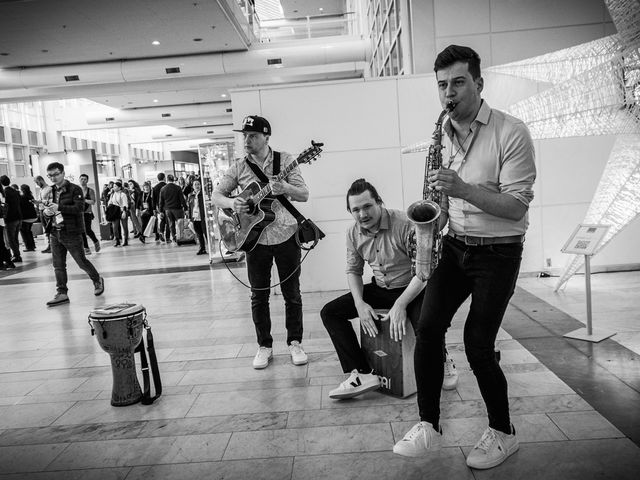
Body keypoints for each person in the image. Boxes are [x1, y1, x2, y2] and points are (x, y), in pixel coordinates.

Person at [392, 45, 536, 470]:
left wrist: (463, 189)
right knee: (429, 326)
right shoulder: (441, 136)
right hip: (455, 244)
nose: (448, 93)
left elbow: (516, 208)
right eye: (442, 85)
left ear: (478, 83)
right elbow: (440, 196)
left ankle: (503, 432)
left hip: (499, 251)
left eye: (458, 82)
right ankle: (429, 425)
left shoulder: (511, 132)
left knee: (477, 343)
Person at [320, 179, 457, 400]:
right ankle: (363, 373)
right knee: (330, 312)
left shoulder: (404, 223)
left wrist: (401, 304)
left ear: (379, 202)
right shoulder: (352, 233)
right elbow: (353, 270)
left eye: (367, 206)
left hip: (414, 287)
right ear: (350, 211)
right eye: (356, 209)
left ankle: (442, 357)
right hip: (381, 287)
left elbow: (423, 273)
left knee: (427, 324)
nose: (362, 214)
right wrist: (360, 304)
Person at [211, 115, 309, 369]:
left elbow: (304, 194)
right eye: (245, 135)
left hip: (286, 235)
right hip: (253, 239)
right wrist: (234, 203)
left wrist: (285, 187)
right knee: (258, 296)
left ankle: (295, 343)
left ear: (266, 137)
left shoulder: (285, 160)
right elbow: (216, 195)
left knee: (292, 293)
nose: (247, 140)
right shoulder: (239, 167)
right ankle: (264, 346)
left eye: (252, 135)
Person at [42, 162, 104, 306]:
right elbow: (46, 209)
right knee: (58, 265)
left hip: (71, 232)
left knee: (81, 262)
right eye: (50, 175)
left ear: (63, 173)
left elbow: (79, 208)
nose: (53, 178)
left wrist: (59, 207)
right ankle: (62, 293)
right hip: (54, 232)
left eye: (56, 174)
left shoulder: (74, 189)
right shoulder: (49, 191)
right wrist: (46, 212)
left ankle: (97, 280)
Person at [158, 174, 187, 245]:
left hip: (168, 209)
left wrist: (161, 211)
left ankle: (174, 237)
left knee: (171, 224)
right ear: (173, 179)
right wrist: (186, 208)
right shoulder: (177, 188)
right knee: (180, 223)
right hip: (177, 208)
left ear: (167, 180)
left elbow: (161, 201)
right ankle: (180, 236)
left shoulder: (163, 189)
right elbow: (182, 199)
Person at [0, 175, 22, 263]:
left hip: (10, 219)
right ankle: (17, 254)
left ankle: (17, 256)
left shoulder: (4, 193)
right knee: (15, 238)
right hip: (19, 217)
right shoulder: (15, 191)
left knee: (10, 239)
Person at [78, 174, 101, 255]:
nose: (83, 180)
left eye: (84, 179)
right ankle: (86, 248)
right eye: (81, 179)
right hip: (79, 213)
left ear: (87, 180)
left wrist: (84, 199)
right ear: (79, 180)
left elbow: (93, 201)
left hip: (87, 213)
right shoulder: (77, 190)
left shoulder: (90, 190)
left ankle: (95, 241)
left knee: (87, 230)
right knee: (82, 231)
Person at [34, 175, 53, 253]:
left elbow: (50, 201)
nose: (37, 184)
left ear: (41, 180)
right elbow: (41, 200)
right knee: (46, 230)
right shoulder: (41, 189)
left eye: (37, 182)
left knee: (49, 230)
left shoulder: (49, 189)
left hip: (47, 211)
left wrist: (40, 202)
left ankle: (52, 246)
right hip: (41, 210)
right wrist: (36, 202)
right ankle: (49, 246)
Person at [107, 181, 130, 247]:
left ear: (119, 187)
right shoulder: (113, 194)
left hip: (122, 211)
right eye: (113, 186)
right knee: (115, 227)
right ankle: (117, 240)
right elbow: (110, 202)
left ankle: (125, 240)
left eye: (115, 186)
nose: (114, 188)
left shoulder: (123, 194)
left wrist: (124, 212)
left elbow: (125, 204)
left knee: (124, 226)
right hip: (115, 212)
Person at [188, 179, 207, 255]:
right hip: (195, 217)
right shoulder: (190, 195)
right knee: (199, 234)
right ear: (193, 186)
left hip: (202, 216)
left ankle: (211, 249)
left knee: (206, 233)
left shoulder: (203, 194)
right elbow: (190, 208)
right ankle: (202, 248)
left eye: (198, 184)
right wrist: (190, 218)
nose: (197, 186)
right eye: (195, 184)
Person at [0, 185, 16, 270]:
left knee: (2, 243)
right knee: (2, 242)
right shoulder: (2, 193)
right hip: (1, 220)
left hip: (0, 220)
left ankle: (4, 263)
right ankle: (8, 262)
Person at [18, 184, 38, 252]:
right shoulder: (30, 196)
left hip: (26, 218)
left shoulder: (22, 197)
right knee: (28, 231)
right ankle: (32, 246)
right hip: (33, 216)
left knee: (24, 232)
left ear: (22, 190)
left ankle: (28, 247)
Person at [151, 173, 167, 242]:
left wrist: (154, 208)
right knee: (169, 221)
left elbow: (153, 199)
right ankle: (168, 237)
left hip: (159, 206)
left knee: (162, 219)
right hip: (167, 206)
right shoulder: (166, 186)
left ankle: (161, 232)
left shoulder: (155, 187)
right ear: (164, 178)